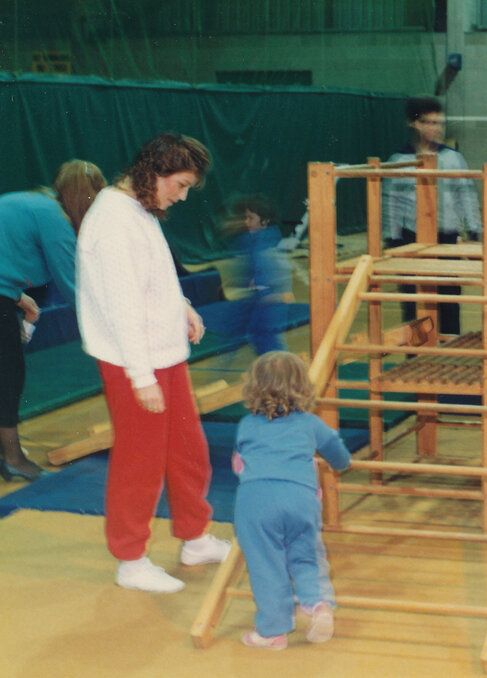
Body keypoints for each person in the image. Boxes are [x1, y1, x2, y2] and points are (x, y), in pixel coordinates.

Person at [76, 132, 230, 593]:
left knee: (188, 450)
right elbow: (122, 307)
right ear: (154, 173)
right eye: (179, 185)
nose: (181, 196)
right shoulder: (113, 221)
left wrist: (181, 304)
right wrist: (140, 377)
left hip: (163, 353)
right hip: (133, 361)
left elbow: (154, 275)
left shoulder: (139, 209)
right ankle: (130, 558)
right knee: (139, 460)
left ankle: (195, 536)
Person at [232, 351, 352, 650]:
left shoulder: (247, 424)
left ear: (253, 388)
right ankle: (317, 604)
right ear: (304, 388)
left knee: (266, 564)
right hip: (300, 498)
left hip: (256, 502)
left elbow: (238, 464)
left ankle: (273, 631)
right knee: (306, 554)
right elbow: (340, 458)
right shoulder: (312, 424)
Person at [0, 159, 107, 482]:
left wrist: (17, 298)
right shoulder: (54, 218)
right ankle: (14, 457)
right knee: (9, 375)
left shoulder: (38, 202)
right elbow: (74, 286)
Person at [382, 96, 482, 336]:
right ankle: (415, 361)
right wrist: (392, 241)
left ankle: (450, 359)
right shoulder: (399, 161)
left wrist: (475, 231)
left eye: (441, 123)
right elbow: (391, 205)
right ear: (415, 124)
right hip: (410, 242)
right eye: (431, 122)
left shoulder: (453, 159)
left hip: (446, 240)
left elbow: (466, 196)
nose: (438, 128)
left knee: (449, 302)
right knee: (413, 305)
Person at [228, 194, 293, 354]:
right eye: (246, 218)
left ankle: (285, 375)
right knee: (260, 337)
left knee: (270, 342)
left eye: (251, 218)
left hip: (270, 302)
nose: (246, 222)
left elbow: (283, 277)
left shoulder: (268, 247)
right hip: (263, 299)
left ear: (264, 221)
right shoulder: (258, 242)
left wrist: (277, 295)